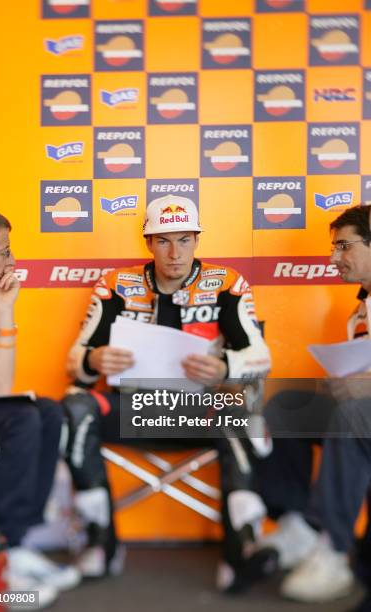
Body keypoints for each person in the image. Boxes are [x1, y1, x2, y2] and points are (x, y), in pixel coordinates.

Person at [63, 194, 276, 592]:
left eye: (184, 239)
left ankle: (242, 550)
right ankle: (99, 544)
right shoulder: (116, 284)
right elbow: (76, 358)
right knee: (75, 406)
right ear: (148, 243)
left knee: (238, 407)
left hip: (200, 412)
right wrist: (95, 362)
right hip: (134, 411)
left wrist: (225, 367)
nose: (175, 253)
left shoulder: (227, 283)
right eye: (163, 240)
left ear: (197, 239)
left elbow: (260, 356)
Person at [0, 204, 80, 609]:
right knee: (23, 418)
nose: (13, 261)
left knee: (44, 412)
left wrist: (5, 311)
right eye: (6, 252)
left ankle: (11, 546)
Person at [255, 204, 371, 604]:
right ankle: (297, 526)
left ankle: (333, 548)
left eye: (343, 247)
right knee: (286, 404)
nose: (333, 258)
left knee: (354, 412)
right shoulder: (360, 309)